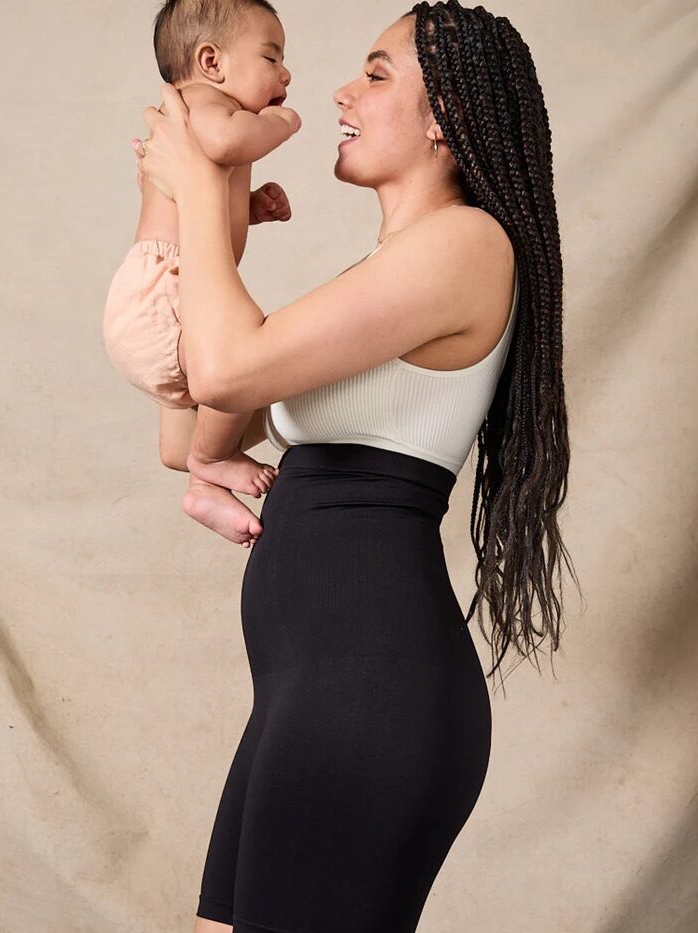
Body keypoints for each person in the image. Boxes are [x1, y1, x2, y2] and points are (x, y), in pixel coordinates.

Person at [134, 2, 578, 930]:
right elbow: (189, 434)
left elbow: (226, 365)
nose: (339, 91)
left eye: (376, 75)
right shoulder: (373, 276)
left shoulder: (466, 246)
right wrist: (200, 209)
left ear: (444, 117)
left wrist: (203, 172)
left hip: (370, 696)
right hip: (304, 695)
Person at [104, 0, 302, 547]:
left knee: (189, 421)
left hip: (161, 293)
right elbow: (225, 142)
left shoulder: (198, 116)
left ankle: (200, 484)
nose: (285, 75)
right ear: (211, 62)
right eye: (271, 56)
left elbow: (203, 204)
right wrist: (280, 124)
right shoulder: (201, 104)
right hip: (165, 290)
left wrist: (251, 206)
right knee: (243, 357)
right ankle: (212, 459)